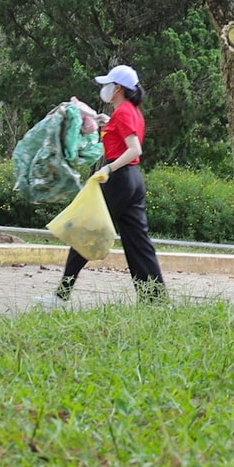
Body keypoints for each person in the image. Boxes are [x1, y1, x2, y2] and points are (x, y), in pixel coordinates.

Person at [44, 64, 166, 303]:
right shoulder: (130, 111)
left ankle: (60, 296)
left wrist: (108, 168)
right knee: (139, 242)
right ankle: (156, 300)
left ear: (118, 88)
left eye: (108, 85)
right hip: (133, 181)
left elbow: (134, 149)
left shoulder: (124, 112)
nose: (105, 89)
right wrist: (100, 120)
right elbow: (122, 134)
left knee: (84, 232)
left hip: (118, 179)